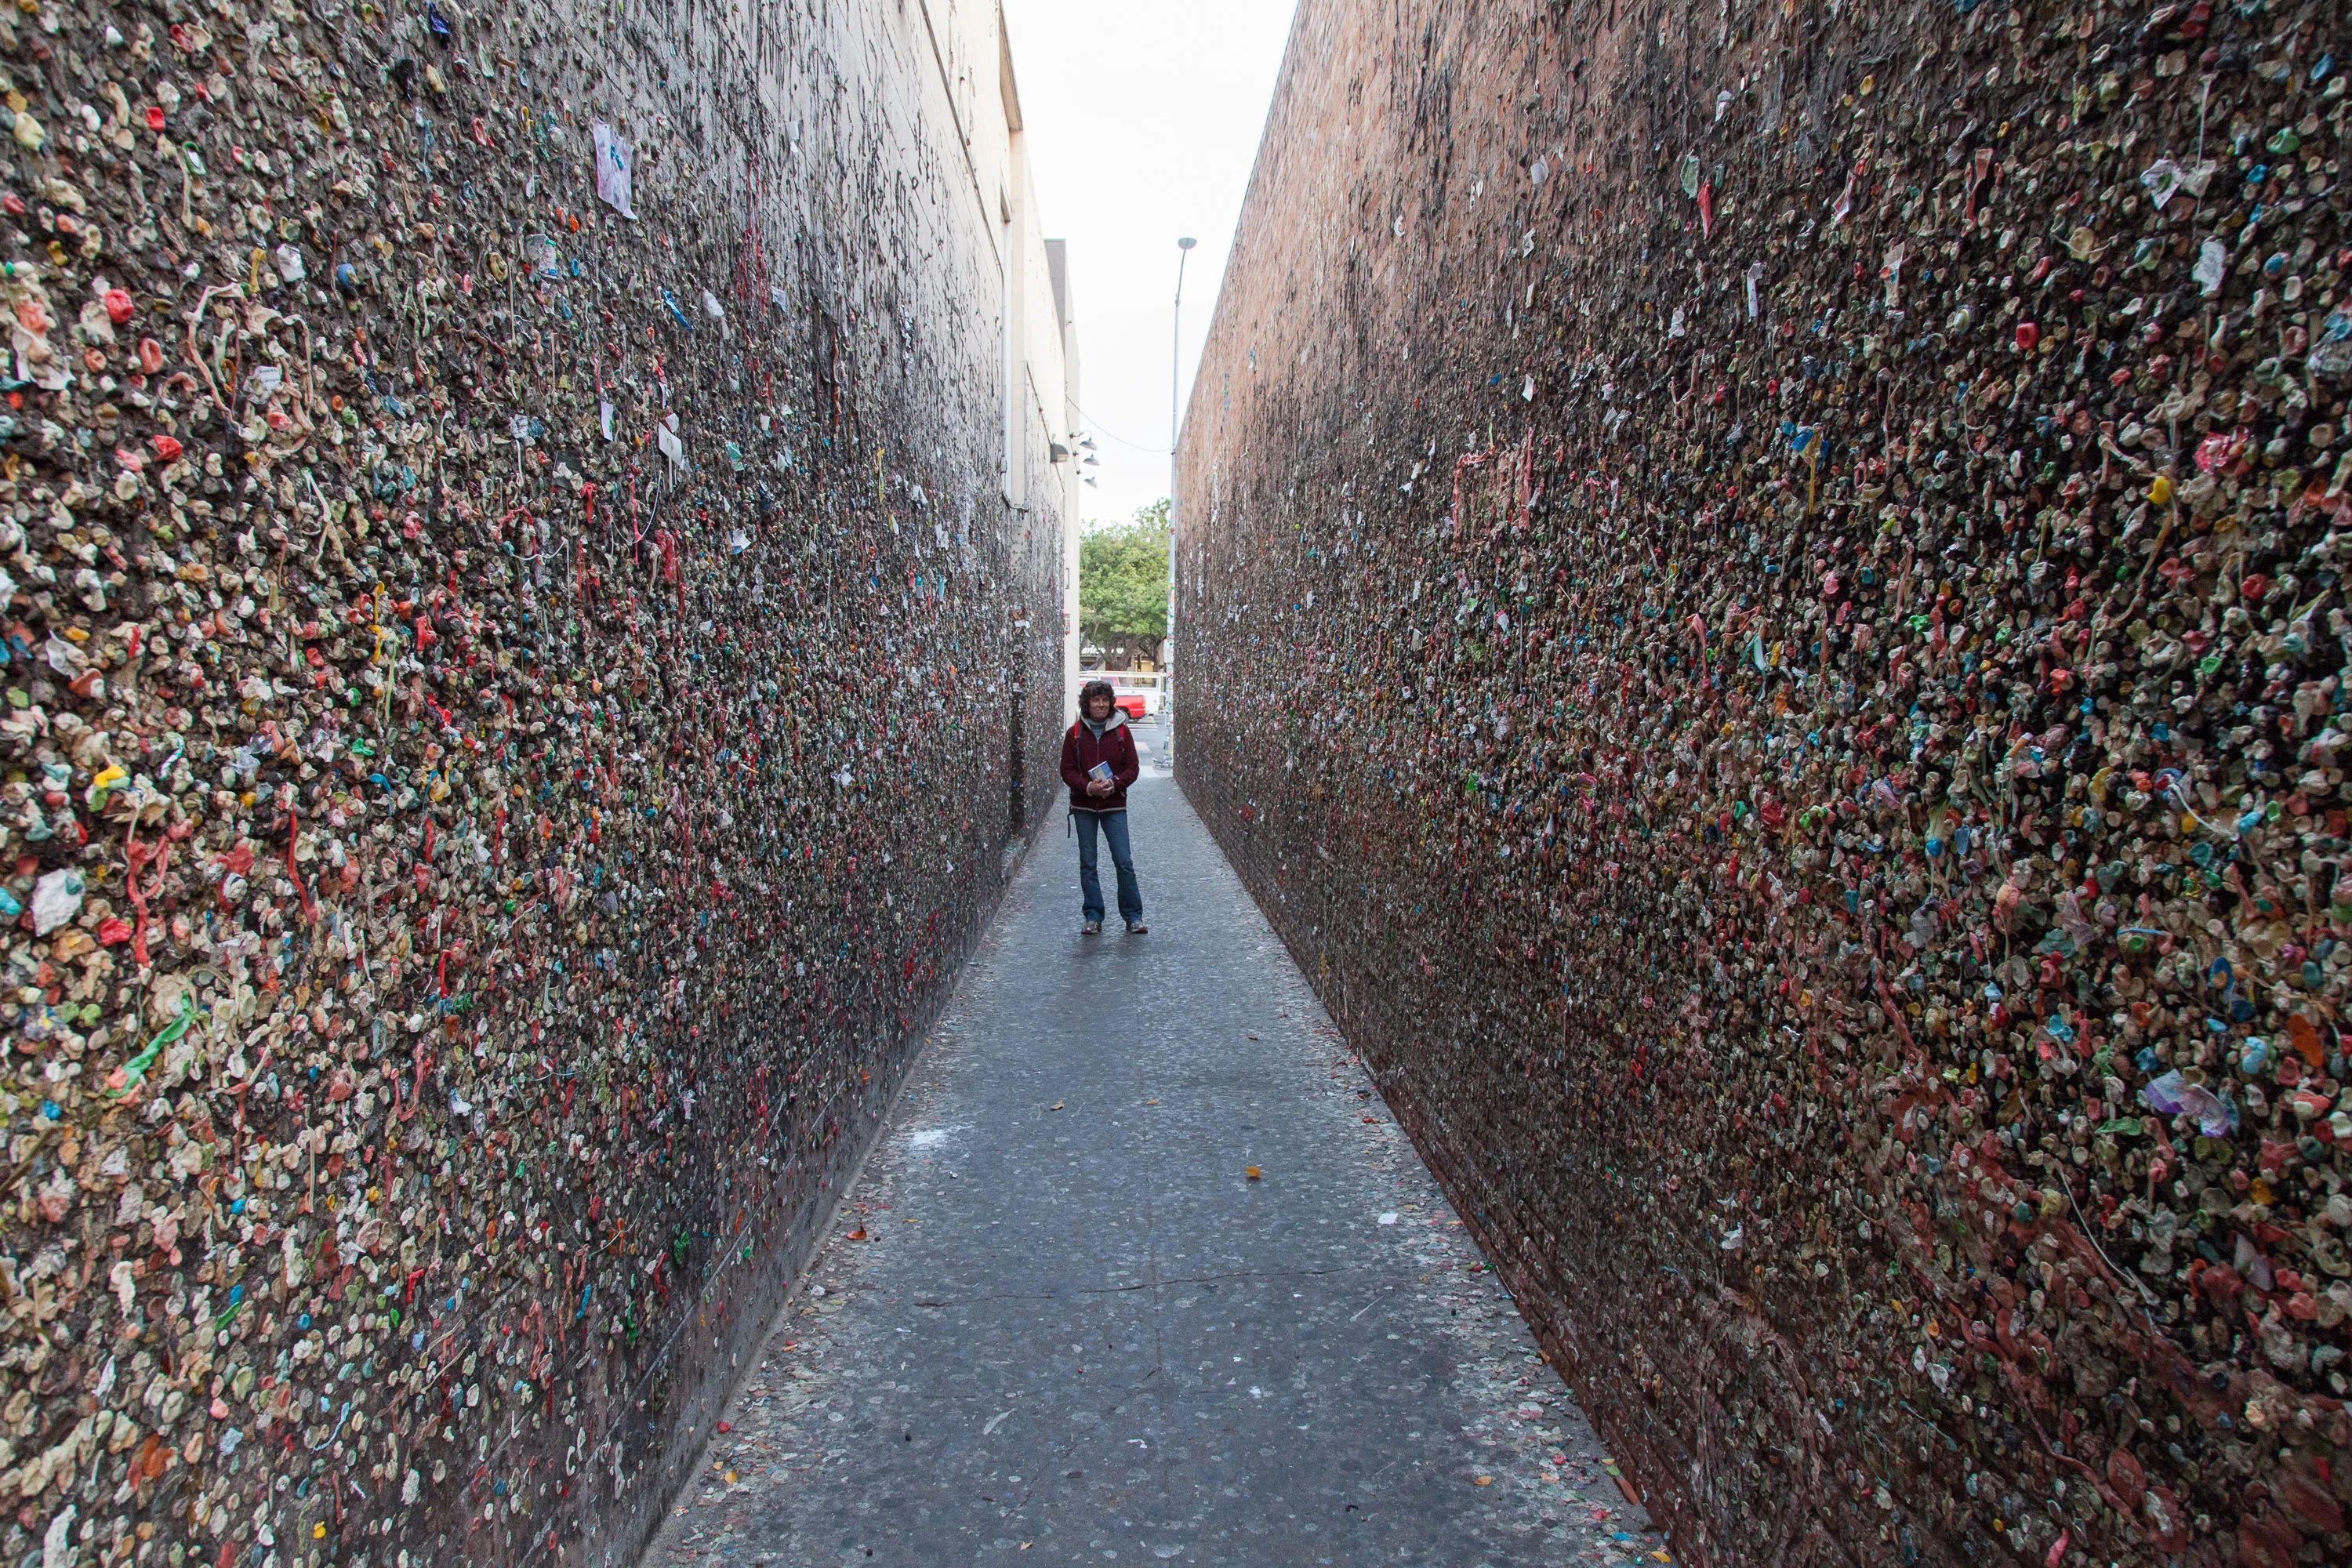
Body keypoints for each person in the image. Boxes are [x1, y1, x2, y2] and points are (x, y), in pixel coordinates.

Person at [1059, 680, 1145, 935]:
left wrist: (1114, 783)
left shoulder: (1122, 733)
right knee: (1088, 863)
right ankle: (1093, 916)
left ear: (1110, 703)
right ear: (1087, 703)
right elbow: (1067, 771)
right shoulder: (1074, 734)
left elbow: (1133, 768)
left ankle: (1133, 917)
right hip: (1084, 807)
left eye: (1104, 700)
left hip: (1114, 807)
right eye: (1095, 700)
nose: (1100, 704)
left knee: (1124, 861)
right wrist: (1088, 787)